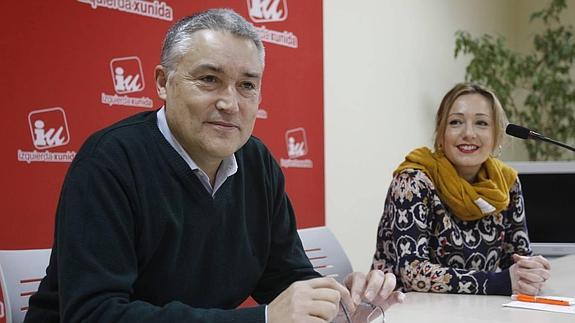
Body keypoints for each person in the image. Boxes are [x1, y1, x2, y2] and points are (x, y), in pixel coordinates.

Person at [24, 8, 403, 323]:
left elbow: (286, 277)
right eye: (209, 79)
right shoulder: (110, 161)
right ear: (162, 81)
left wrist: (339, 302)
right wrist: (264, 319)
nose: (230, 103)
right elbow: (94, 314)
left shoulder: (258, 163)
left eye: (247, 86)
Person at [371, 83, 551, 296]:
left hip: (473, 310)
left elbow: (516, 258)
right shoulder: (413, 182)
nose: (468, 133)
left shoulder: (506, 184)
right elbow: (413, 274)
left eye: (482, 123)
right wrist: (499, 283)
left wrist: (530, 271)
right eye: (455, 122)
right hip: (402, 310)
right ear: (441, 133)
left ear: (496, 136)